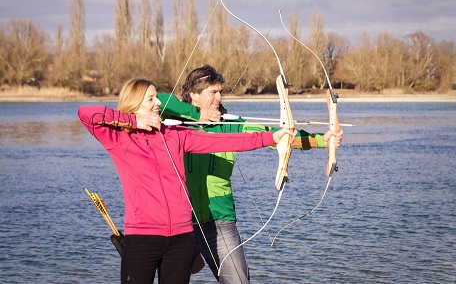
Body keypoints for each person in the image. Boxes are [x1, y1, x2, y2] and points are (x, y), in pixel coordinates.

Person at [77, 77, 296, 284]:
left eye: (157, 97)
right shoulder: (118, 137)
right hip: (142, 238)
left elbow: (223, 141)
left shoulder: (174, 134)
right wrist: (135, 121)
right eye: (151, 98)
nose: (159, 103)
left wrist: (271, 137)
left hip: (182, 238)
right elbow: (86, 113)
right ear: (134, 103)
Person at [158, 65, 343, 283]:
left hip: (219, 219)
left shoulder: (231, 125)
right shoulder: (173, 124)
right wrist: (197, 115)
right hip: (179, 219)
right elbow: (145, 98)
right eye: (212, 92)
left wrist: (323, 140)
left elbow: (279, 136)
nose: (219, 97)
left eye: (220, 91)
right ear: (193, 94)